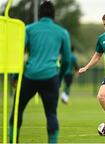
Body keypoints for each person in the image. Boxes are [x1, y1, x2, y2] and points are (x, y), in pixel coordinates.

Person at [9, 1, 71, 143]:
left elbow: (19, 53)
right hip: (50, 77)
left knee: (17, 110)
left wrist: (15, 76)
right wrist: (59, 77)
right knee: (51, 114)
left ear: (39, 14)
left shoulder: (28, 29)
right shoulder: (62, 32)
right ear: (54, 15)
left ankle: (13, 141)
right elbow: (67, 60)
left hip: (29, 76)